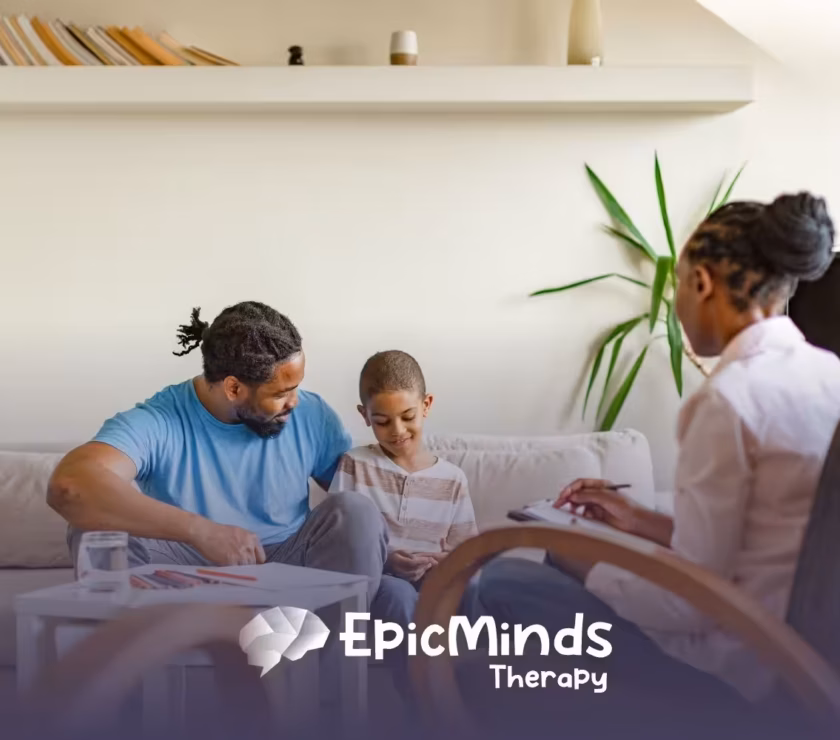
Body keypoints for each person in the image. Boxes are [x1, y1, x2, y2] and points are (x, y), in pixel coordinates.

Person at [459, 192, 840, 740]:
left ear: (701, 283)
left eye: (681, 286)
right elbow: (760, 543)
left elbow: (689, 605)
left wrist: (579, 561)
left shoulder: (729, 399)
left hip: (736, 666)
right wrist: (636, 520)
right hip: (797, 655)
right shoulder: (824, 374)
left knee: (501, 576)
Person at [47, 301, 387, 603]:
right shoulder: (160, 419)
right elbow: (71, 486)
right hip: (186, 570)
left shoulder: (313, 415)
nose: (294, 402)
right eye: (282, 392)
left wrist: (400, 550)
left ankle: (321, 668)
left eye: (296, 387)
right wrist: (201, 531)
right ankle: (146, 658)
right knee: (94, 528)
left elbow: (365, 498)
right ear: (234, 387)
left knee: (356, 511)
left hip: (290, 562)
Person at [329, 350, 478, 701]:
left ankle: (476, 693)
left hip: (437, 583)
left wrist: (445, 562)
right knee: (399, 596)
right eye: (382, 421)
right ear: (364, 416)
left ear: (426, 405)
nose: (397, 431)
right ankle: (425, 702)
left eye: (407, 416)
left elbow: (466, 551)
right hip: (383, 580)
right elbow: (340, 539)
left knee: (478, 587)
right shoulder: (355, 465)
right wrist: (389, 559)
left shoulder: (452, 479)